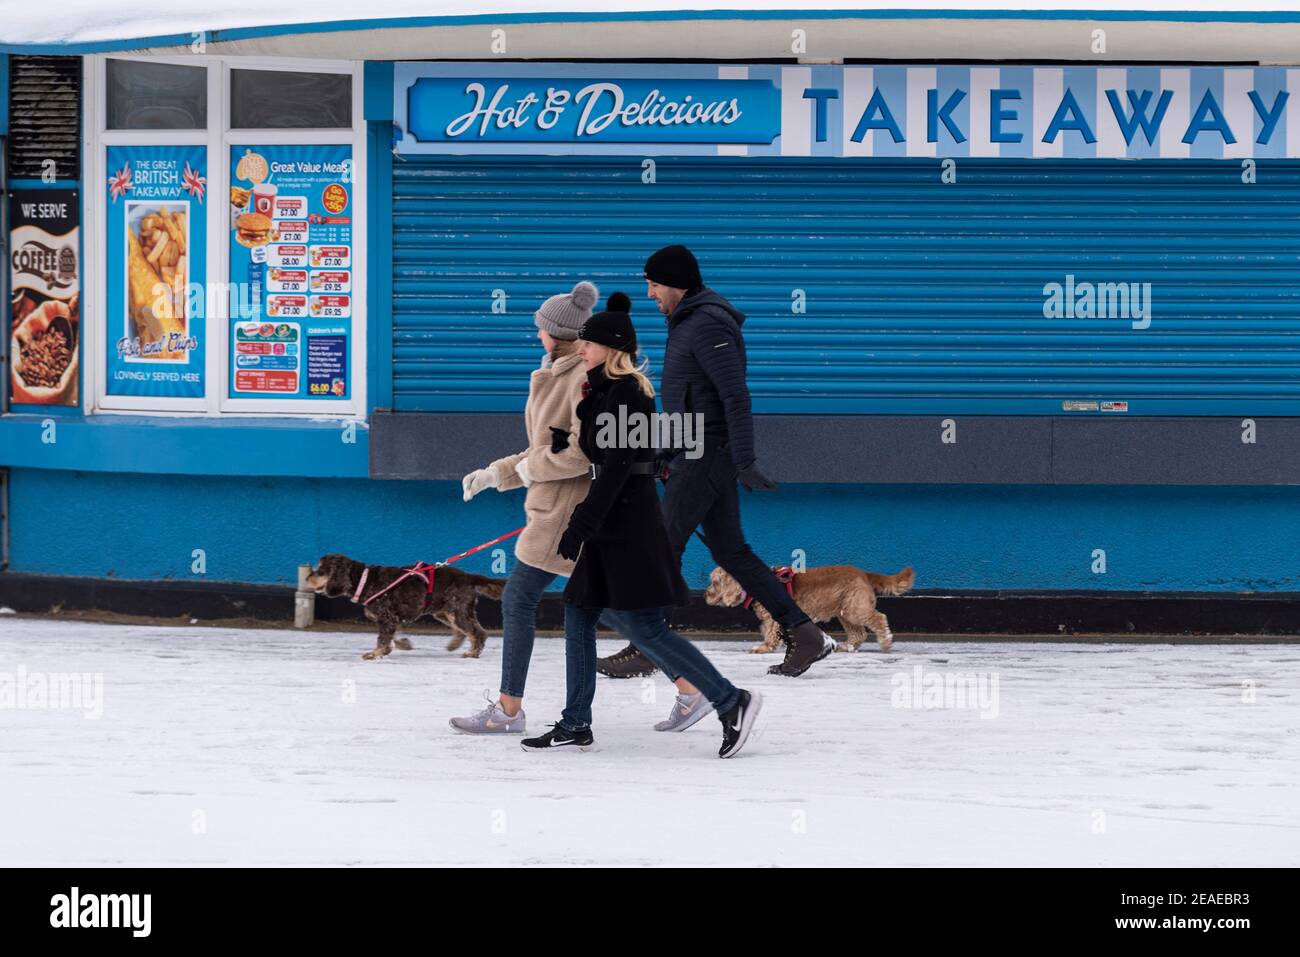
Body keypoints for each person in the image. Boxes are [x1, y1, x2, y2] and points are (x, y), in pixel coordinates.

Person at [521, 293, 762, 758]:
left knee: (646, 628)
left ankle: (731, 700)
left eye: (588, 343)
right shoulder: (603, 391)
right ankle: (575, 721)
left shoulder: (628, 394)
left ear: (610, 348)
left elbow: (616, 471)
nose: (581, 348)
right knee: (578, 615)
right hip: (610, 523)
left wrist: (579, 525)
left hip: (626, 526)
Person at [597, 244, 837, 690]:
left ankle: (647, 646)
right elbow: (695, 399)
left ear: (674, 283)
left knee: (661, 544)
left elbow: (734, 395)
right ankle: (805, 634)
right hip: (696, 447)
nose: (649, 294)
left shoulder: (707, 323)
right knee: (730, 551)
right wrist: (666, 450)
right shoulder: (687, 321)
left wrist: (744, 458)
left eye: (653, 284)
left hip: (709, 452)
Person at [448, 281, 598, 735]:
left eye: (540, 328)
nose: (536, 334)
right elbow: (541, 447)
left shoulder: (579, 380)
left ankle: (509, 710)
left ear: (555, 332)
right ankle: (692, 686)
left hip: (564, 511)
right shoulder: (555, 372)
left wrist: (531, 473)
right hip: (557, 507)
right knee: (607, 607)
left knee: (519, 598)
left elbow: (580, 452)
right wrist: (498, 473)